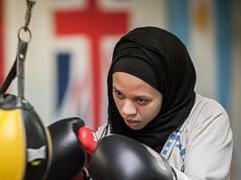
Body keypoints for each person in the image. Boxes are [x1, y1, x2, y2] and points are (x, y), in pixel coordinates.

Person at [95, 26, 233, 180]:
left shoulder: (206, 119)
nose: (126, 111)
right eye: (119, 94)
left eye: (141, 100)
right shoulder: (111, 131)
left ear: (168, 93)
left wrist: (155, 173)